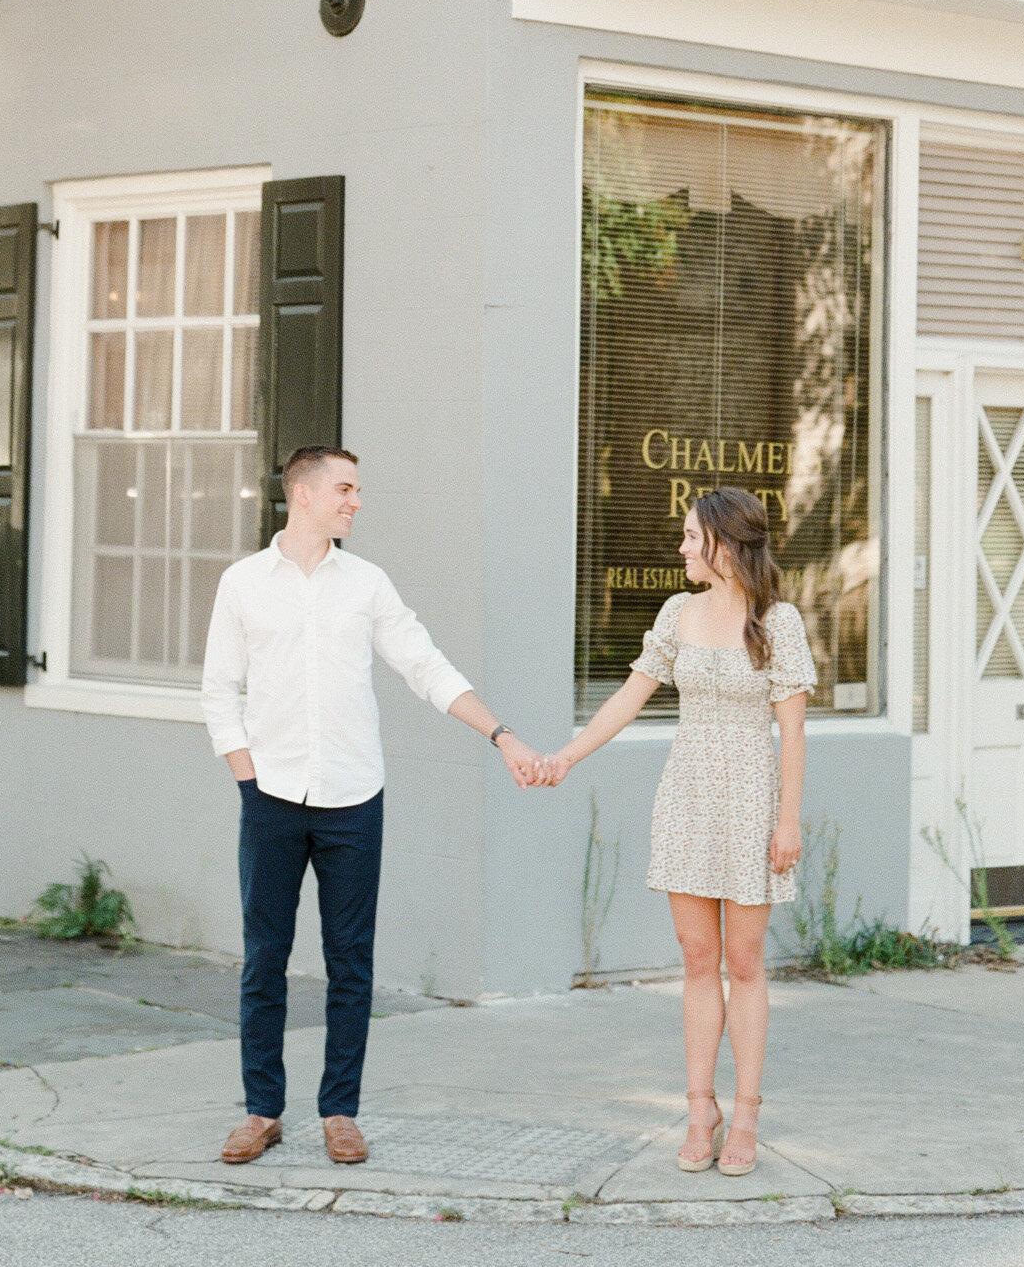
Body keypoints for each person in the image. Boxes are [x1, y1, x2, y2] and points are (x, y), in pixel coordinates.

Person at [201, 445, 544, 1168]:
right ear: (303, 494)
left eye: (357, 491)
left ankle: (340, 1111)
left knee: (349, 961)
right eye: (346, 489)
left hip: (354, 798)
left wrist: (501, 734)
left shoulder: (366, 584)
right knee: (264, 960)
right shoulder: (242, 584)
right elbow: (217, 689)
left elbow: (426, 666)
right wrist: (245, 776)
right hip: (271, 797)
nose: (357, 502)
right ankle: (262, 1110)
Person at [542, 487, 814, 1177]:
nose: (684, 548)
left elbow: (793, 732)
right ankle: (701, 1108)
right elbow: (627, 700)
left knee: (745, 963)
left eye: (693, 538)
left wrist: (788, 820)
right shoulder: (676, 613)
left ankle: (747, 1112)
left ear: (724, 544)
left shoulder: (777, 622)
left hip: (752, 800)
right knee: (697, 959)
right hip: (687, 797)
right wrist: (565, 757)